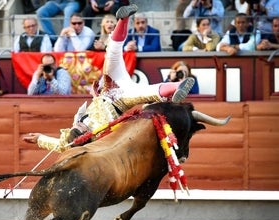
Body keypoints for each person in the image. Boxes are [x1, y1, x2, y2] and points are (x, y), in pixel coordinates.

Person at [23, 4, 195, 152]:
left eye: (76, 127)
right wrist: (41, 140)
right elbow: (63, 146)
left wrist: (39, 138)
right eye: (80, 128)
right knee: (149, 93)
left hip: (108, 87)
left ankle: (124, 18)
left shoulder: (77, 129)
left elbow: (62, 144)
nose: (79, 125)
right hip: (121, 101)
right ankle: (179, 85)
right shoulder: (96, 137)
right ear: (85, 135)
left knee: (112, 52)